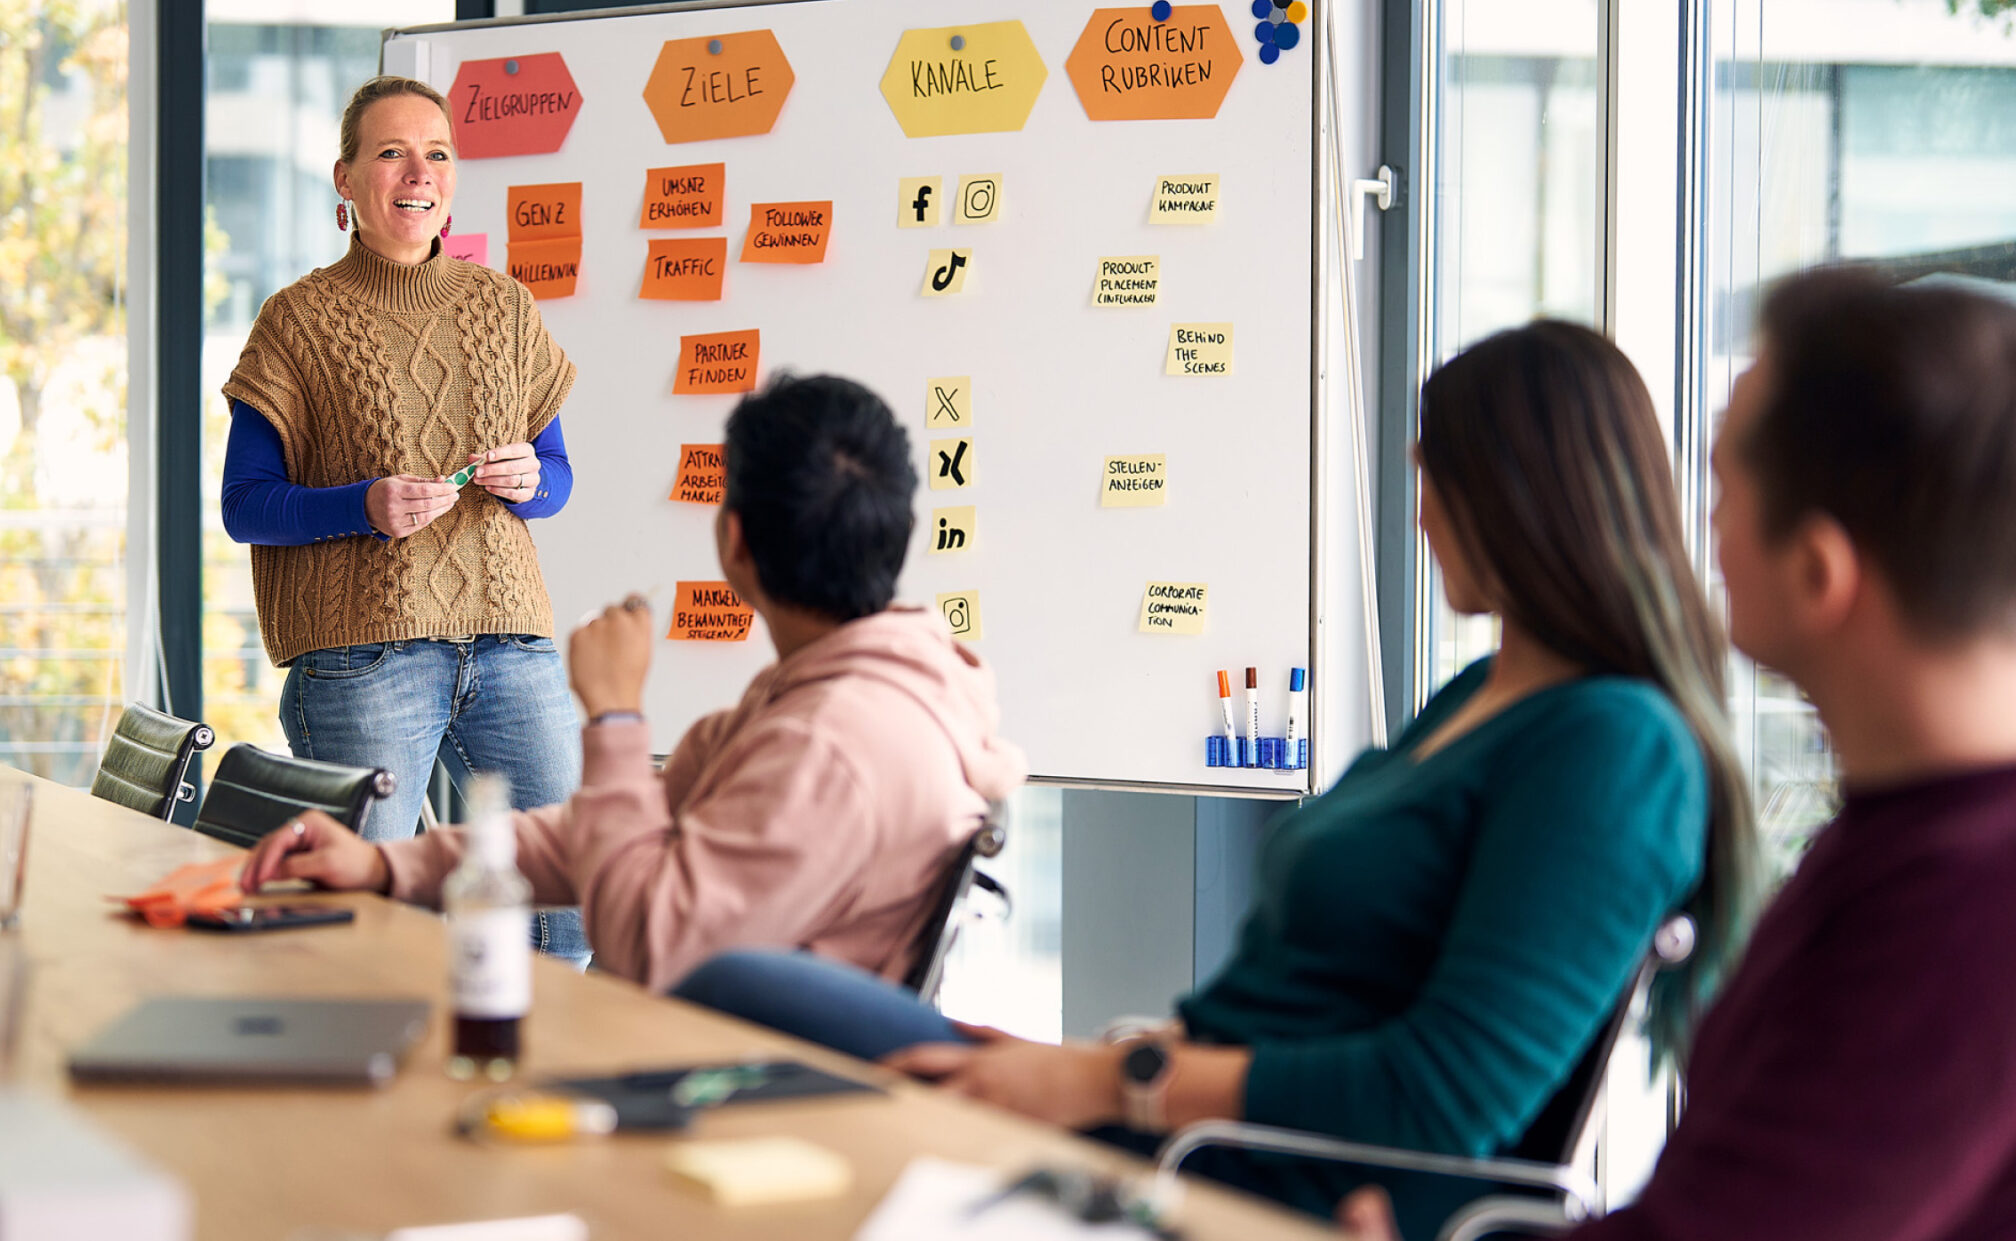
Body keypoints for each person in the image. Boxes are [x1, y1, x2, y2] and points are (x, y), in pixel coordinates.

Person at [676, 322, 1754, 1238]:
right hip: (1173, 1114)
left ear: (1522, 498)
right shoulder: (1484, 692)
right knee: (749, 1007)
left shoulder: (1613, 749)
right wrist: (1097, 1071)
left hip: (1246, 1175)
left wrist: (1099, 1082)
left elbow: (1439, 1096)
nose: (1419, 515)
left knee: (738, 995)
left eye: (1434, 480)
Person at [1337, 268, 2016, 1241]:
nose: (1701, 527)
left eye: (1723, 489)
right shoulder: (1910, 841)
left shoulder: (1966, 906)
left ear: (1818, 569)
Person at [237, 373, 1027, 991]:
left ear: (733, 540)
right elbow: (604, 838)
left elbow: (649, 948)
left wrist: (615, 718)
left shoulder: (828, 743)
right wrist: (386, 865)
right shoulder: (847, 693)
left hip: (756, 1102)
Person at [220, 75, 585, 957]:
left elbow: (561, 477)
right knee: (371, 938)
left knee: (570, 914)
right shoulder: (296, 322)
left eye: (437, 152)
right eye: (391, 152)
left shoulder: (503, 307)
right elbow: (244, 506)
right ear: (345, 180)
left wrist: (528, 480)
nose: (417, 172)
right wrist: (362, 504)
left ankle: (522, 1082)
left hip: (512, 643)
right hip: (363, 657)